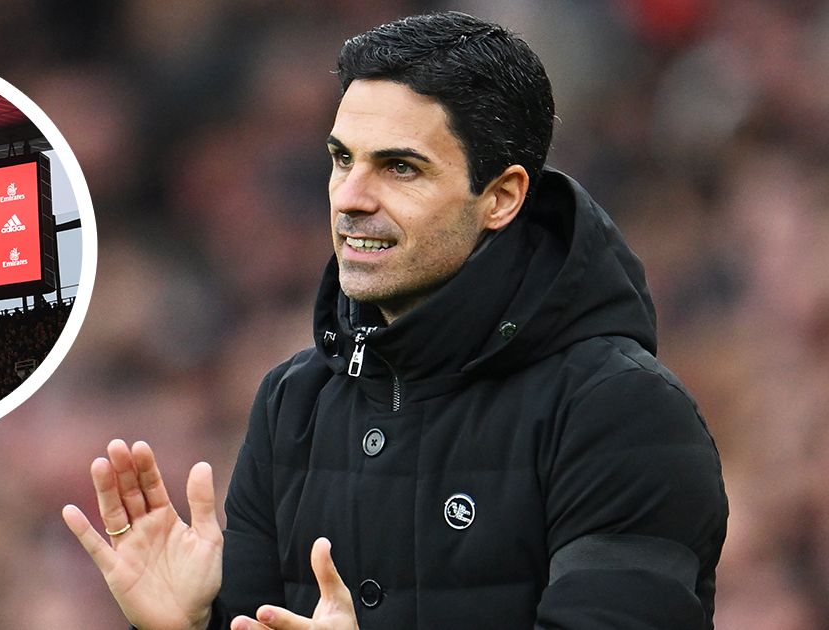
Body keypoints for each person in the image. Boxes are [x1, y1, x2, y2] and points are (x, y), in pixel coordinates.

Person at [64, 12, 728, 629]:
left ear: (501, 198)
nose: (350, 198)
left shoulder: (624, 412)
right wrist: (192, 623)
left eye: (399, 167)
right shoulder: (292, 404)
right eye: (342, 159)